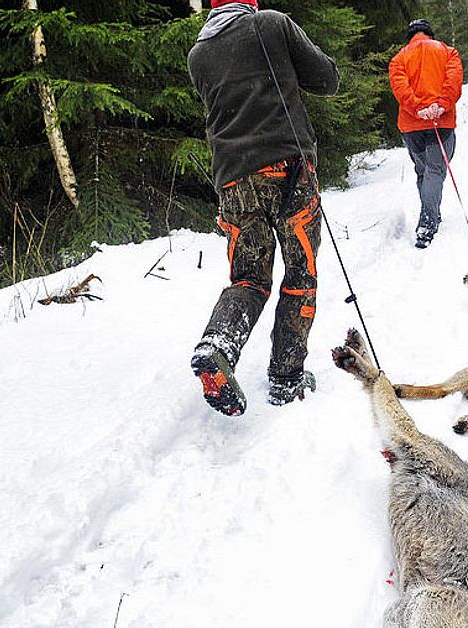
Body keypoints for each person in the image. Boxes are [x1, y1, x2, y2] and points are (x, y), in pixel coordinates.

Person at [186, 0, 339, 416]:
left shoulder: (198, 55)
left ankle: (217, 346)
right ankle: (286, 379)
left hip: (233, 180)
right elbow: (327, 80)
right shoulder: (272, 25)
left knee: (249, 279)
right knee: (300, 274)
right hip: (289, 170)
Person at [388, 19, 463, 249]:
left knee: (423, 171)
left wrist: (418, 108)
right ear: (429, 33)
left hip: (412, 126)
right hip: (441, 123)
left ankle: (431, 215)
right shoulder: (448, 52)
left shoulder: (399, 58)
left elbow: (401, 89)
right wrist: (440, 105)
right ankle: (427, 223)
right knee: (434, 171)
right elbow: (454, 81)